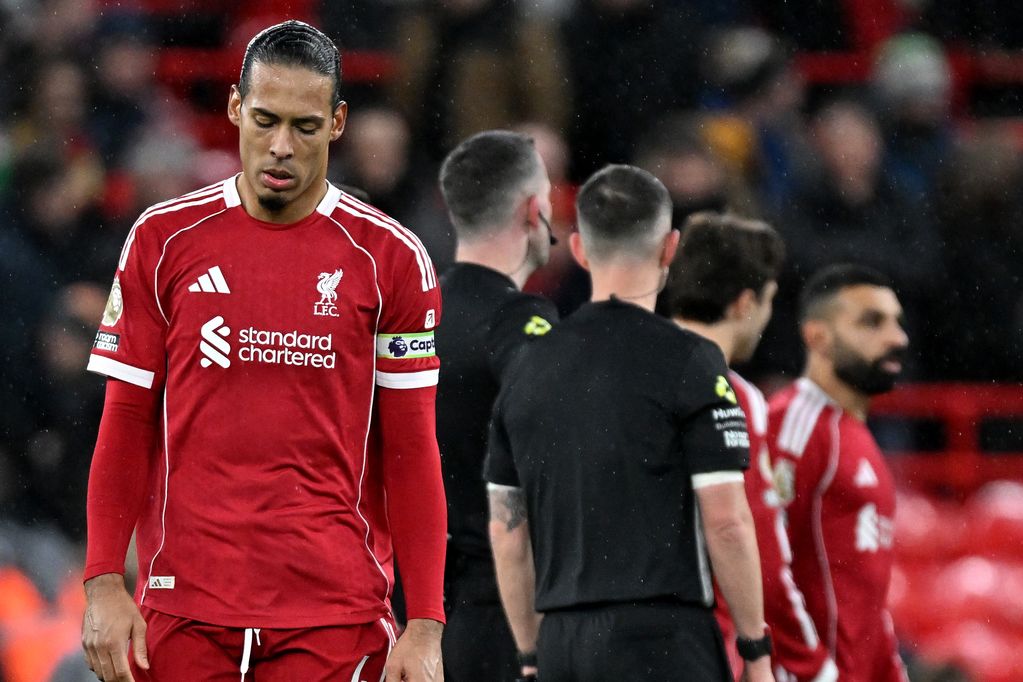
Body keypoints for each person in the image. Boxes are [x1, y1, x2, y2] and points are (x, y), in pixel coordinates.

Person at [80, 21, 446, 682]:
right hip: (185, 608)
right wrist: (104, 578)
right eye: (265, 120)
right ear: (233, 108)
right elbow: (126, 419)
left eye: (305, 127)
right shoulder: (163, 239)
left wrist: (424, 621)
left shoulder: (390, 259)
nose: (281, 147)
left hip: (335, 616)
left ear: (337, 124)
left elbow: (411, 450)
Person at [485, 165, 774, 682]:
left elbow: (508, 532)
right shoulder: (690, 360)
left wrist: (530, 655)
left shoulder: (525, 367)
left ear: (579, 249)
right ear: (669, 248)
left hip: (562, 642)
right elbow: (727, 521)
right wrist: (755, 648)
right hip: (663, 640)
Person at [663, 212, 837, 682]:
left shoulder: (619, 377)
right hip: (699, 647)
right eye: (769, 301)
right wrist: (812, 667)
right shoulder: (733, 397)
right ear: (745, 303)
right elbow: (756, 550)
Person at [435, 130, 559, 682]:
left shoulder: (410, 312)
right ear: (534, 211)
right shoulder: (519, 323)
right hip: (501, 611)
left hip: (411, 604)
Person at [767, 264, 910, 682]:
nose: (897, 338)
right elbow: (762, 566)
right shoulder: (793, 425)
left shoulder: (855, 435)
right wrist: (813, 672)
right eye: (873, 322)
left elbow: (868, 599)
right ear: (818, 337)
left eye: (897, 322)